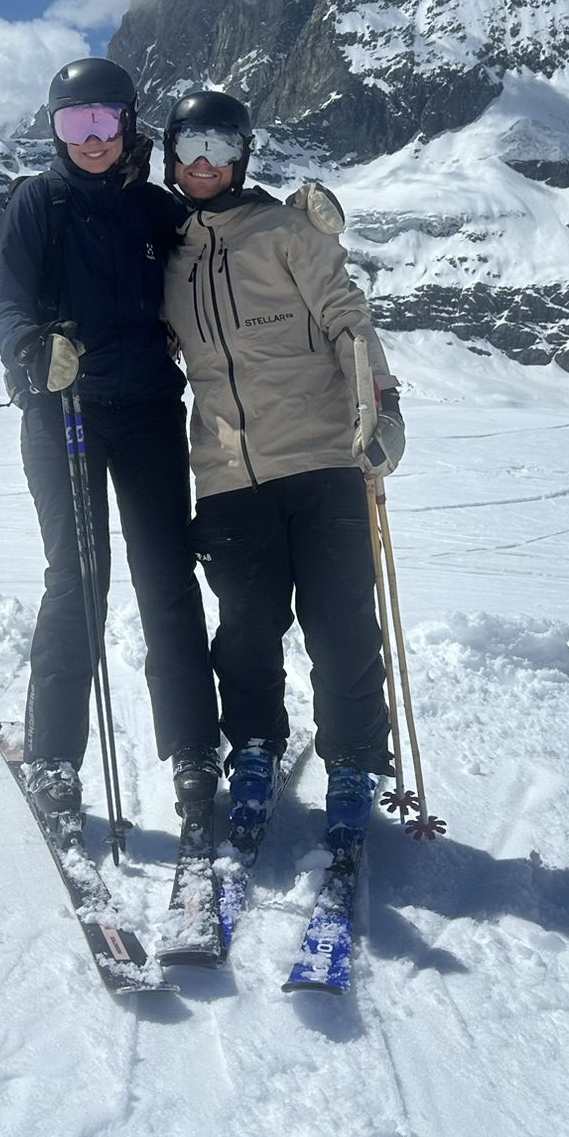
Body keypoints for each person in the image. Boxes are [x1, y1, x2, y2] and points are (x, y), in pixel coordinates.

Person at [158, 89, 405, 855]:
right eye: (191, 147)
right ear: (169, 156)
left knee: (341, 623)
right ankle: (256, 747)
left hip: (324, 457)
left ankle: (354, 761)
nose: (205, 163)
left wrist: (381, 408)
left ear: (243, 158)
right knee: (246, 630)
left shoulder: (288, 231)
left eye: (222, 148)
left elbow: (347, 320)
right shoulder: (169, 257)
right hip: (227, 474)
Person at [0, 58, 222, 839]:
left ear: (127, 124)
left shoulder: (155, 210)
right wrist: (33, 349)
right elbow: (6, 304)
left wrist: (292, 223)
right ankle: (55, 756)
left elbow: (224, 240)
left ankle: (193, 748)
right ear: (56, 129)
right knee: (78, 580)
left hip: (148, 412)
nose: (90, 138)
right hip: (64, 415)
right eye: (73, 121)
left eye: (103, 121)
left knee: (166, 576)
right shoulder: (39, 203)